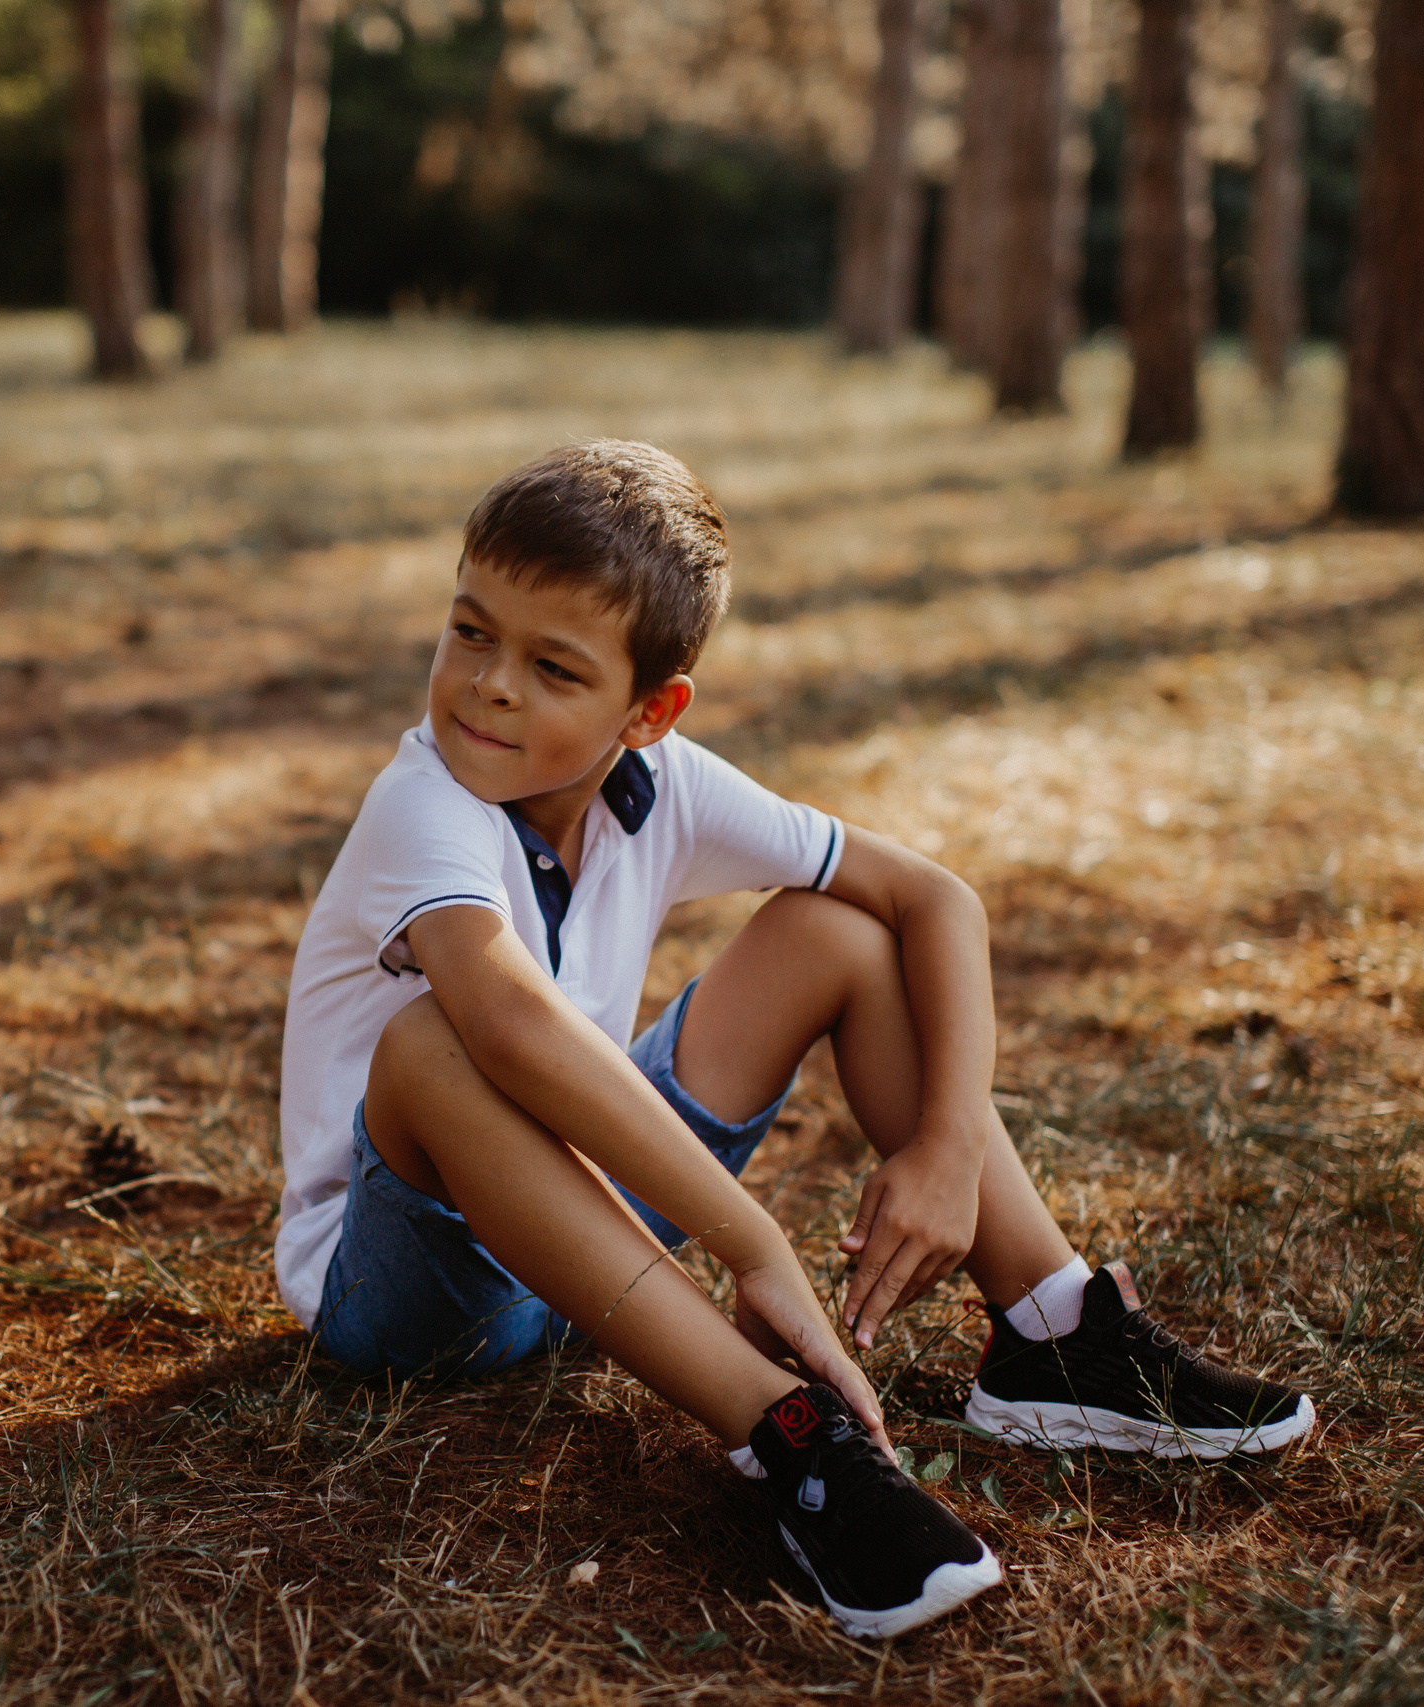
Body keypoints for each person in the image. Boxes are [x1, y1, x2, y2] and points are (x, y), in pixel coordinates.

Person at [274, 440, 1314, 1638]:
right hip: (407, 1287)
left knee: (839, 932)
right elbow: (508, 1030)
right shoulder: (425, 803)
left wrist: (947, 1150)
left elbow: (937, 900)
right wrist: (751, 1244)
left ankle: (1051, 1331)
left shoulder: (661, 787)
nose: (490, 685)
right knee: (434, 1038)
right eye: (469, 632)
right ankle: (789, 1438)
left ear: (649, 712)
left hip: (586, 1226)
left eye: (554, 667)